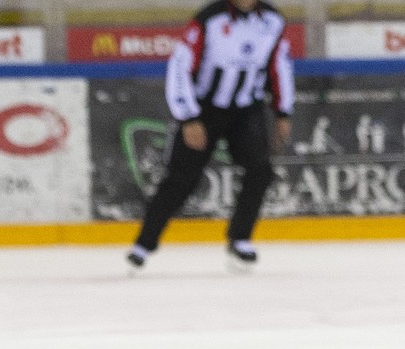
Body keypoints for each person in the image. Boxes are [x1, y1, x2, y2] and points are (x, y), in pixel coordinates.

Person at [125, 0, 294, 273]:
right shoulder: (210, 19)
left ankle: (240, 239)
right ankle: (143, 244)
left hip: (246, 109)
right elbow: (180, 66)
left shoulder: (273, 21)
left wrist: (282, 111)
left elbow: (280, 65)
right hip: (204, 110)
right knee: (181, 179)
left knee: (260, 170)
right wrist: (188, 117)